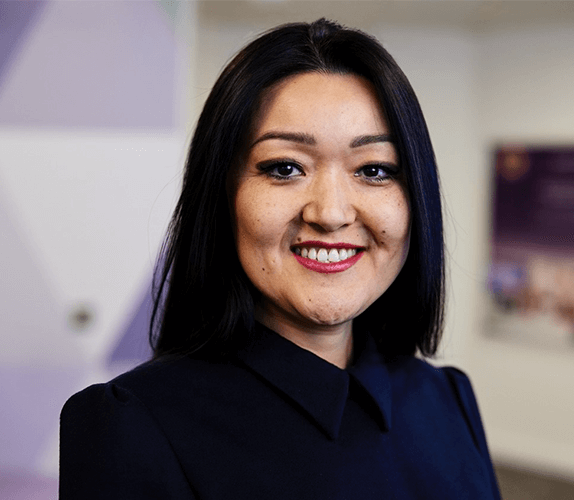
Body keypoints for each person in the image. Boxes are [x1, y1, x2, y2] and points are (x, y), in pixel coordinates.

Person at [60, 19, 501, 499]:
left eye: (374, 170)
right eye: (285, 168)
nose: (330, 213)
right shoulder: (131, 424)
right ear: (222, 195)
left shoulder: (447, 399)